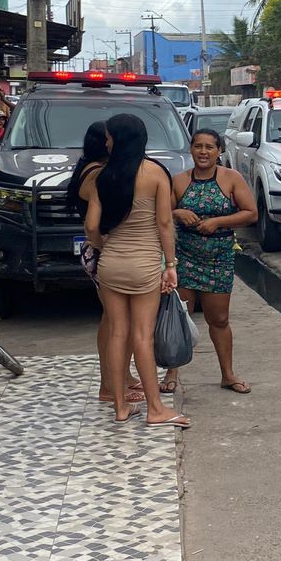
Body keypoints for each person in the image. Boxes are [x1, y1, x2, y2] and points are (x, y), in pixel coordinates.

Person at [83, 113, 188, 428]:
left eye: (110, 137)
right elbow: (165, 223)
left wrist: (107, 245)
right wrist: (170, 265)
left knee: (117, 334)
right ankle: (155, 408)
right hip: (144, 265)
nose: (107, 142)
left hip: (111, 263)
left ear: (117, 140)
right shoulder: (155, 173)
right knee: (142, 336)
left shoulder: (102, 177)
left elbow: (91, 227)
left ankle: (119, 406)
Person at [164, 129, 257, 395]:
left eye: (209, 147)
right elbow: (162, 214)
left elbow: (251, 213)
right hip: (184, 258)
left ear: (219, 151)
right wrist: (177, 212)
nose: (203, 152)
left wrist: (218, 222)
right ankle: (172, 372)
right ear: (190, 150)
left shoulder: (231, 179)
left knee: (219, 319)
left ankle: (227, 374)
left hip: (219, 259)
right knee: (180, 316)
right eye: (198, 146)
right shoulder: (178, 181)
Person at [66, 122, 144, 406]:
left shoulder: (89, 168)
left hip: (101, 252)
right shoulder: (98, 174)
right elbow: (93, 226)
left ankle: (120, 376)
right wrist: (103, 246)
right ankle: (109, 385)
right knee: (115, 322)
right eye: (110, 138)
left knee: (114, 320)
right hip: (103, 252)